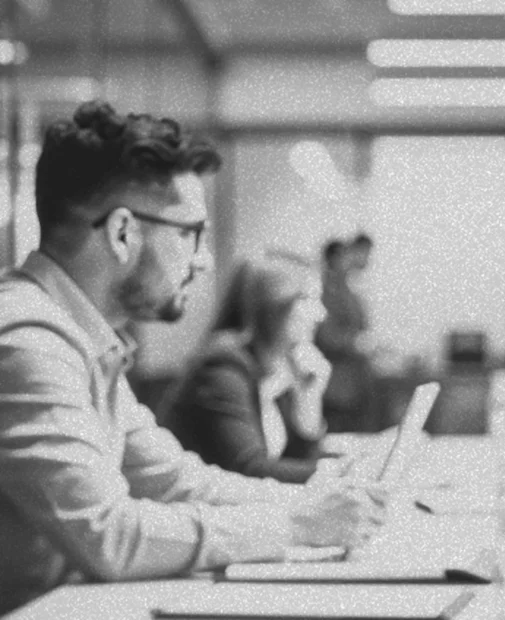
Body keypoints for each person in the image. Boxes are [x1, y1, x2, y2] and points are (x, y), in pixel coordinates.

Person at [0, 100, 386, 614]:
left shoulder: (86, 340)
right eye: (191, 233)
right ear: (122, 233)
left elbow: (177, 481)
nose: (204, 260)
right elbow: (108, 534)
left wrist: (315, 505)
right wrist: (295, 525)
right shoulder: (28, 338)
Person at [160, 256, 345, 483]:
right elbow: (249, 471)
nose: (321, 314)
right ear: (274, 305)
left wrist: (309, 399)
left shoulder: (278, 367)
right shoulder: (221, 370)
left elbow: (290, 467)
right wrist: (342, 474)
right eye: (308, 299)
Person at [316, 233, 381, 433]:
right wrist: (355, 343)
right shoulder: (325, 291)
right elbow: (324, 336)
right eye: (346, 257)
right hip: (338, 386)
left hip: (356, 381)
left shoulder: (347, 288)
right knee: (341, 437)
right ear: (335, 259)